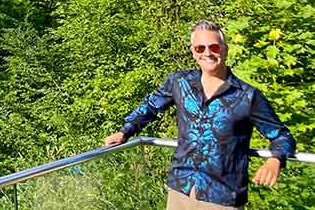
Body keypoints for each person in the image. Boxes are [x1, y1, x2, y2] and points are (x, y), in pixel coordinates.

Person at [104, 20, 295, 209]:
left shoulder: (248, 96)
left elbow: (282, 135)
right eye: (200, 48)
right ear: (193, 52)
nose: (207, 53)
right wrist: (125, 131)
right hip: (180, 189)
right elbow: (150, 106)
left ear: (225, 49)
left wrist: (275, 159)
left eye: (214, 47)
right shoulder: (179, 82)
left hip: (222, 197)